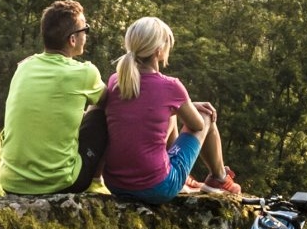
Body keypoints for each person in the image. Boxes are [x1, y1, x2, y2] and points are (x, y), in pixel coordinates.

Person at [100, 16, 240, 203]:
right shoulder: (171, 87)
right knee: (205, 114)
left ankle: (186, 171)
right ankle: (219, 178)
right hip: (157, 188)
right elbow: (197, 125)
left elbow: (146, 108)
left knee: (170, 114)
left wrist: (178, 108)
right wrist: (187, 106)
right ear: (159, 51)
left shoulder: (116, 81)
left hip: (116, 184)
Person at [0, 0, 107, 195]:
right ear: (72, 39)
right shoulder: (85, 73)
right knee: (101, 113)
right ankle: (97, 181)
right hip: (62, 182)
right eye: (85, 30)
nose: (87, 35)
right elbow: (109, 101)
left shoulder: (23, 67)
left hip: (11, 183)